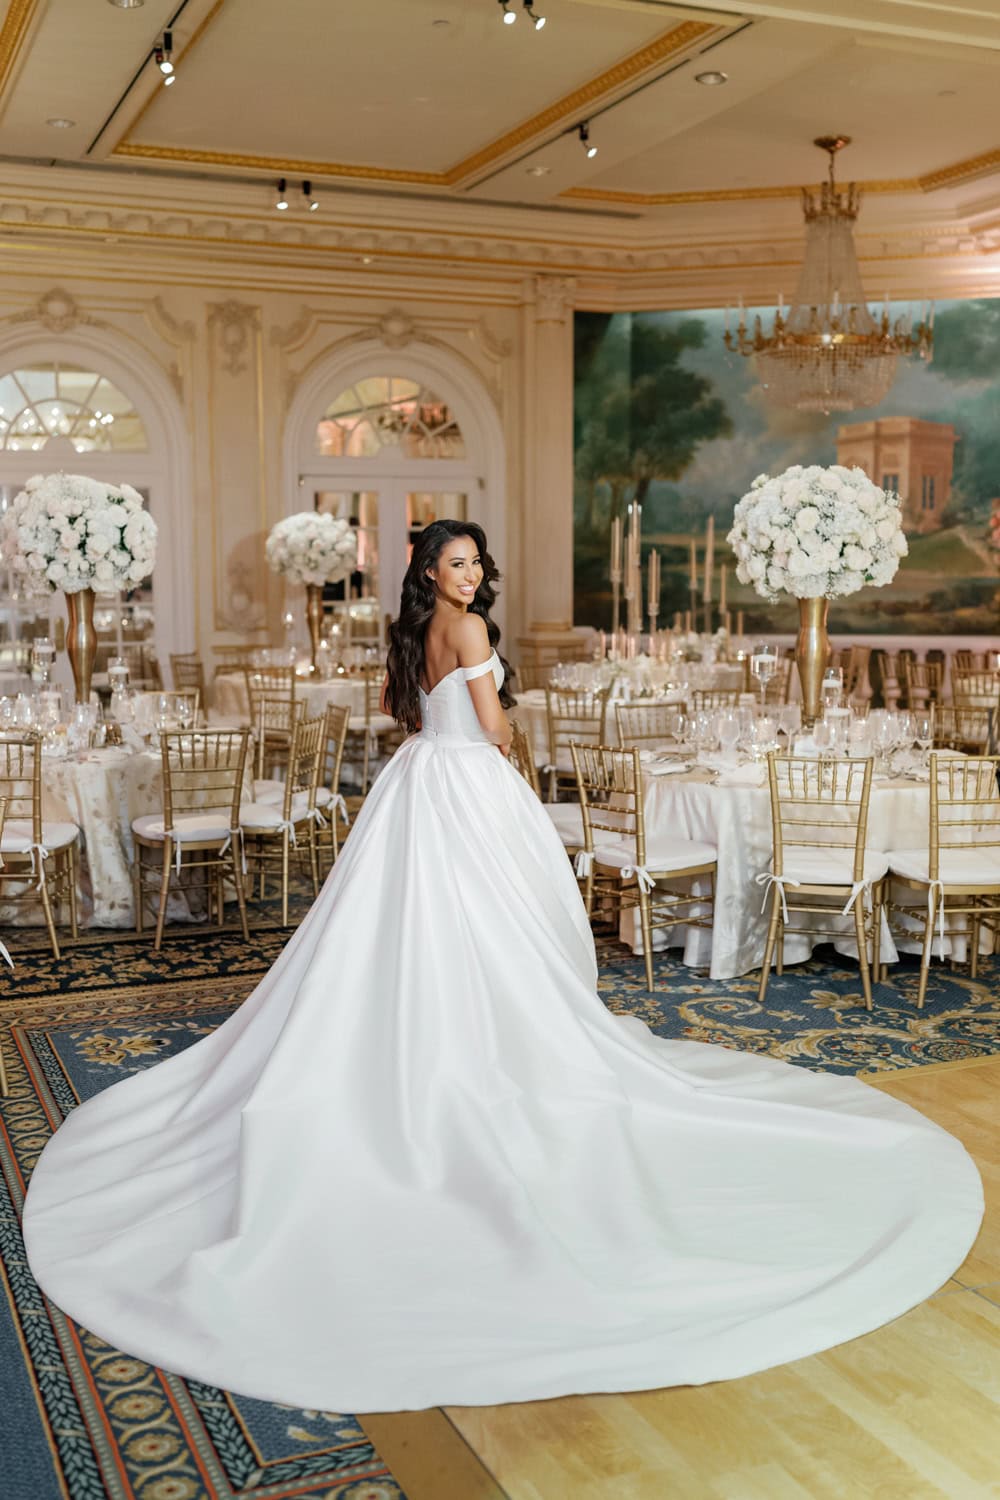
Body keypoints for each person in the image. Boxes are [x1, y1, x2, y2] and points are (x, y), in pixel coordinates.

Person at [23, 520, 982, 1414]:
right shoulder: (472, 631)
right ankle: (485, 1056)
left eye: (475, 562)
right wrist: (508, 732)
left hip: (416, 786)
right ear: (430, 574)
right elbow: (490, 730)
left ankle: (425, 1043)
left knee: (411, 927)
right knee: (493, 923)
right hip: (470, 785)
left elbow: (414, 717)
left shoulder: (417, 634)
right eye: (457, 564)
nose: (471, 575)